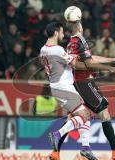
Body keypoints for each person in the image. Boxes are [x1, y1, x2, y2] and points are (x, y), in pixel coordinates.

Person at [54, 21, 115, 160]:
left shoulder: (71, 43)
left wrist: (112, 59)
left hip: (76, 82)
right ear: (79, 27)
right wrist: (110, 68)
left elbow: (91, 58)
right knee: (104, 113)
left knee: (78, 116)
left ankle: (56, 152)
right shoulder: (81, 40)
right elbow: (89, 63)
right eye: (81, 24)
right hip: (85, 83)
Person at [40, 22, 99, 160]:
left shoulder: (43, 49)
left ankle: (86, 147)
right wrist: (90, 65)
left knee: (81, 115)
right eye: (60, 32)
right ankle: (58, 134)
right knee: (85, 114)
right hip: (63, 87)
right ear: (55, 33)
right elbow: (75, 64)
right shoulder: (58, 50)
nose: (62, 34)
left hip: (57, 87)